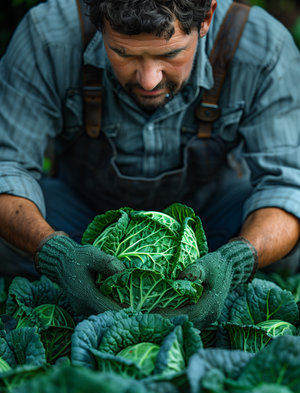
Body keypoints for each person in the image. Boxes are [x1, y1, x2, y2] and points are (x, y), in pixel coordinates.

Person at [0, 0, 299, 327]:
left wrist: (236, 261)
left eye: (171, 54)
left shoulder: (262, 47)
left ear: (207, 17)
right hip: (80, 223)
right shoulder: (47, 36)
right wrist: (55, 253)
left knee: (287, 243)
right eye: (123, 53)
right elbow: (7, 166)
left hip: (213, 221)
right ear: (97, 21)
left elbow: (285, 185)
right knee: (9, 235)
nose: (148, 80)